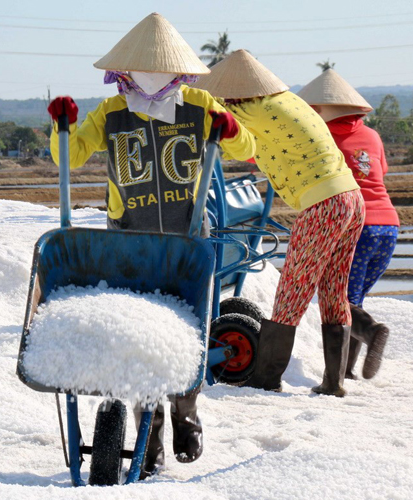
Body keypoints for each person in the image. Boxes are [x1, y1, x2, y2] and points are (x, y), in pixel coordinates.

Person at [47, 13, 255, 475]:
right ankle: (150, 431)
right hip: (129, 242)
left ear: (178, 72)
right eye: (143, 73)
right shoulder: (112, 112)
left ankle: (185, 413)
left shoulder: (199, 105)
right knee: (141, 339)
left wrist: (234, 129)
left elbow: (246, 148)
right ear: (125, 72)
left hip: (187, 240)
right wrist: (61, 126)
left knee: (189, 332)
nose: (152, 81)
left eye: (161, 73)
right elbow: (69, 154)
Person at [194, 50, 365, 398]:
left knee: (292, 289)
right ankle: (334, 382)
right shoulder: (290, 102)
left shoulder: (251, 110)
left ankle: (266, 378)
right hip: (351, 197)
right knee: (333, 289)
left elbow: (226, 135)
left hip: (323, 203)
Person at [298, 69, 395, 380]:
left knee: (339, 300)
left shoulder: (323, 136)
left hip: (355, 224)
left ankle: (373, 331)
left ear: (320, 110)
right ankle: (348, 370)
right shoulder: (374, 136)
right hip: (388, 227)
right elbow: (381, 173)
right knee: (353, 299)